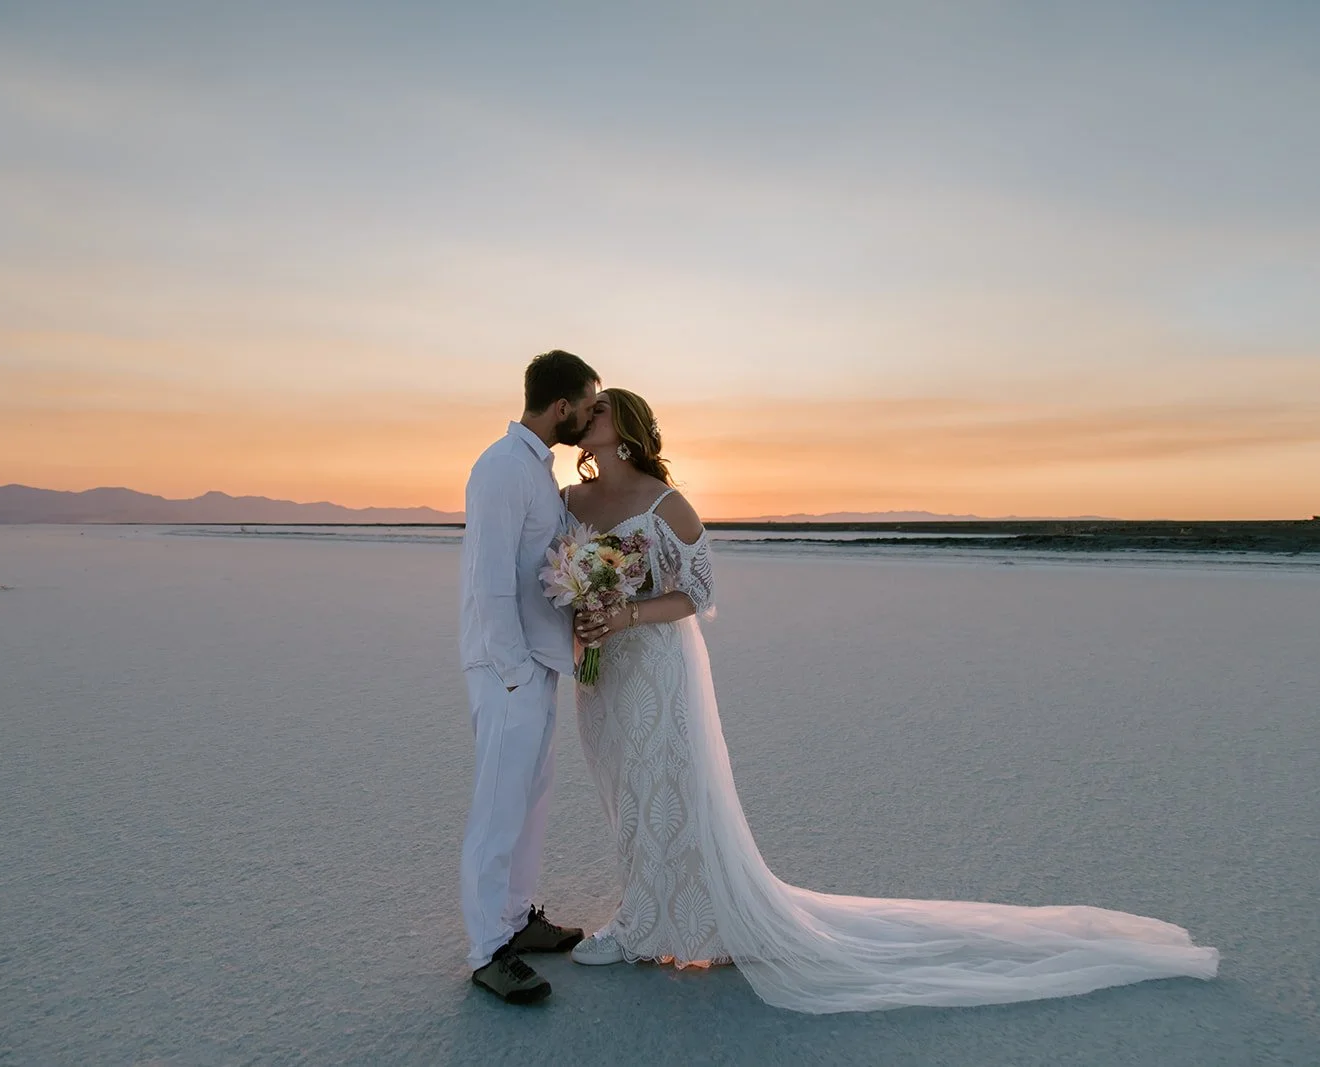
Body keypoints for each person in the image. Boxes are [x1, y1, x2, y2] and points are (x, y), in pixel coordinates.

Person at [565, 387, 1220, 1014]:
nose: (587, 416)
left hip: (655, 666)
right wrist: (581, 611)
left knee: (665, 783)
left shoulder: (666, 503)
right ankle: (646, 907)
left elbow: (699, 592)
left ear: (627, 429)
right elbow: (552, 571)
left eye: (600, 409)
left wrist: (625, 614)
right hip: (602, 668)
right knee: (621, 783)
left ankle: (650, 922)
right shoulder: (571, 499)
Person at [458, 350, 599, 1004]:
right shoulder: (500, 468)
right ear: (561, 405)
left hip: (538, 664)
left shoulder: (538, 469)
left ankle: (516, 918)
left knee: (531, 799)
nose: (590, 417)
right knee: (497, 806)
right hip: (506, 668)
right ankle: (488, 949)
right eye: (587, 405)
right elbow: (488, 581)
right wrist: (513, 670)